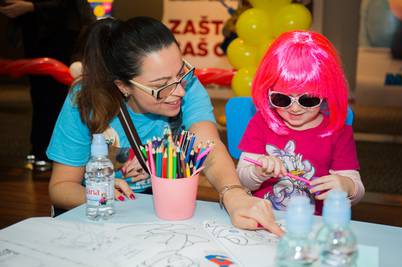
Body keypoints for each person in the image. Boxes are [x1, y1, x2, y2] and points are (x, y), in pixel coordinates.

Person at [46, 16, 283, 235]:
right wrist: (100, 193)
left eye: (181, 73)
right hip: (96, 216)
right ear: (123, 86)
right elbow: (61, 186)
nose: (179, 90)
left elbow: (209, 149)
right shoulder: (85, 100)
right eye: (161, 85)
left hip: (157, 209)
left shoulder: (186, 85)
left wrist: (235, 195)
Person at [236, 30, 365, 215]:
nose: (295, 109)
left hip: (312, 223)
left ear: (327, 93)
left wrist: (346, 186)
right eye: (281, 99)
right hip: (263, 217)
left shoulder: (338, 132)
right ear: (267, 92)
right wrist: (257, 172)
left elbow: (358, 190)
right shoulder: (261, 123)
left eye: (308, 100)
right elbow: (242, 180)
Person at [0, 0, 95, 171]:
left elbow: (68, 6)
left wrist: (31, 6)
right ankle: (40, 149)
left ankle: (53, 154)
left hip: (61, 32)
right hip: (36, 31)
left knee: (57, 96)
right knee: (40, 94)